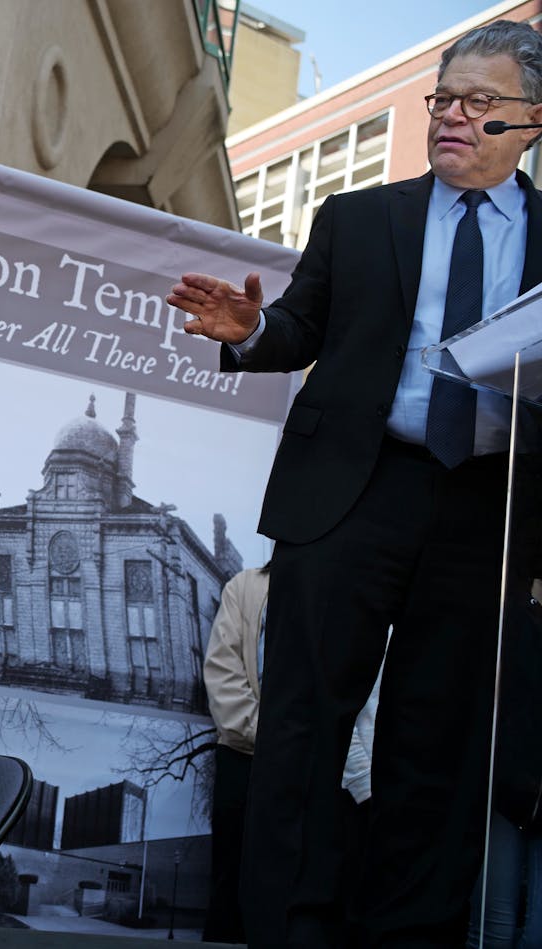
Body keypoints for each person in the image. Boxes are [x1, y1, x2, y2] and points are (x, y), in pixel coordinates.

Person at [166, 20, 542, 947]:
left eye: (480, 103)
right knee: (300, 728)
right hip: (353, 492)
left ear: (531, 121)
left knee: (441, 743)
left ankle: (405, 934)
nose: (454, 117)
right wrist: (248, 332)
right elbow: (295, 328)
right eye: (444, 99)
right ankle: (290, 929)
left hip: (486, 511)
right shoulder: (357, 217)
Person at [201, 562, 269, 944]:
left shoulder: (346, 587)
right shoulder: (244, 587)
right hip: (244, 763)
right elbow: (224, 683)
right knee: (231, 890)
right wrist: (283, 744)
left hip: (316, 771)